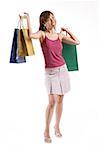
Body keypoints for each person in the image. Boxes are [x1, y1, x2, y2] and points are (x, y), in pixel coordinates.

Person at [20, 10, 80, 143]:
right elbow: (30, 36)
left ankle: (56, 126)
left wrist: (67, 30)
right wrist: (27, 18)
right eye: (50, 19)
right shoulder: (43, 35)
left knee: (60, 99)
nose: (53, 21)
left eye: (53, 18)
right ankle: (46, 130)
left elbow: (77, 42)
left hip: (62, 70)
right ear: (44, 22)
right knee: (52, 102)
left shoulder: (59, 36)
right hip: (50, 73)